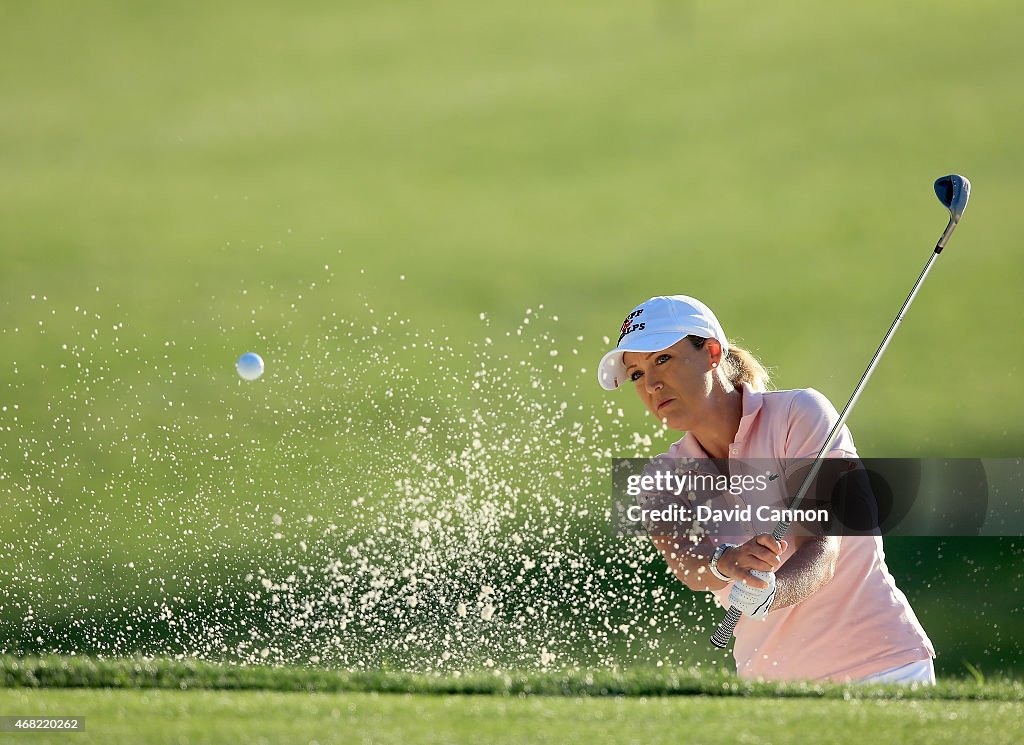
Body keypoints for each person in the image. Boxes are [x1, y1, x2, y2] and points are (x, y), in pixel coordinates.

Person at [598, 295, 935, 684]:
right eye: (636, 374)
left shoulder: (800, 415)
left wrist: (771, 594)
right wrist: (724, 562)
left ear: (711, 352)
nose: (652, 384)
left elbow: (823, 549)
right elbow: (688, 564)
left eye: (662, 359)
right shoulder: (661, 479)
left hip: (881, 667)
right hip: (770, 691)